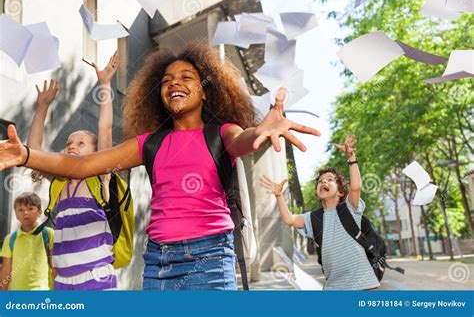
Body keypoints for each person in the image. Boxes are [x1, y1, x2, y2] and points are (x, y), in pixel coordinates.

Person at [0, 42, 320, 290]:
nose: (173, 83)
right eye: (166, 80)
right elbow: (82, 165)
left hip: (209, 260)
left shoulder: (221, 134)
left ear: (205, 92)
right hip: (157, 262)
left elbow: (244, 140)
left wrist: (261, 132)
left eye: (186, 77)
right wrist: (25, 154)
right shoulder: (149, 143)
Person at [26, 53, 121, 290]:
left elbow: (105, 128)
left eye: (81, 143)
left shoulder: (98, 175)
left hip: (96, 277)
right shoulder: (58, 180)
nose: (71, 146)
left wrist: (105, 84)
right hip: (63, 280)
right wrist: (42, 107)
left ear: (95, 151)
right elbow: (34, 152)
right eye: (69, 143)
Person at [260, 134, 380, 290]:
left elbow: (356, 187)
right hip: (334, 287)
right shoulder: (313, 217)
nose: (323, 181)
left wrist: (351, 157)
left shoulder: (350, 208)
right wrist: (279, 196)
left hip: (365, 285)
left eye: (330, 179)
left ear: (341, 192)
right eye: (320, 181)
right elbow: (289, 219)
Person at [0, 192, 54, 290]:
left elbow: (55, 266)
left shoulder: (48, 234)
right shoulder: (10, 239)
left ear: (39, 212)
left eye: (30, 209)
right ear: (16, 214)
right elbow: (5, 270)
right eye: (20, 210)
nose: (25, 213)